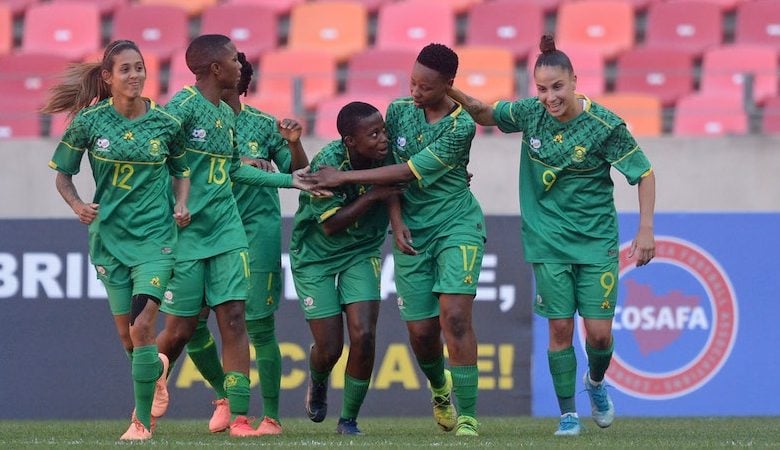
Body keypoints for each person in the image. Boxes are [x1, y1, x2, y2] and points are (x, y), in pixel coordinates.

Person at [447, 34, 656, 436]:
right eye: (541, 89)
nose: (549, 97)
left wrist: (645, 229)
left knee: (598, 335)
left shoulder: (605, 125)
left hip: (596, 242)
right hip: (547, 243)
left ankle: (595, 382)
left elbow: (643, 174)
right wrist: (446, 88)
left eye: (557, 87)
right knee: (560, 329)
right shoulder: (530, 114)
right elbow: (483, 112)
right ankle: (568, 415)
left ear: (575, 81)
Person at [304, 43, 485, 437]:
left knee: (454, 315)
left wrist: (343, 178)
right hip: (412, 232)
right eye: (412, 83)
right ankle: (440, 387)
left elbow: (406, 172)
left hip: (456, 225)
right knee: (421, 334)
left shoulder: (462, 126)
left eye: (425, 87)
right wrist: (397, 220)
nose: (415, 92)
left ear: (448, 85)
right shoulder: (401, 111)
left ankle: (468, 416)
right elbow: (386, 171)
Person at [152, 34, 317, 438]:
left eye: (242, 67)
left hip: (248, 231)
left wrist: (293, 162)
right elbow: (169, 158)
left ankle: (264, 417)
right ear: (219, 72)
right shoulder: (189, 112)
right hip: (197, 230)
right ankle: (218, 396)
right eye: (234, 63)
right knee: (188, 325)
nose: (241, 68)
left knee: (249, 323)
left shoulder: (257, 122)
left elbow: (290, 167)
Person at [43, 39, 191, 441]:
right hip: (109, 240)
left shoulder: (166, 122)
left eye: (140, 67)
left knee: (144, 328)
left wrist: (181, 204)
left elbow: (182, 170)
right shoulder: (89, 123)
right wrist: (77, 205)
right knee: (129, 338)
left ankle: (140, 424)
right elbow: (63, 175)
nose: (135, 75)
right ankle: (156, 372)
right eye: (126, 69)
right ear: (107, 78)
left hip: (156, 239)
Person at [291, 101, 401, 435]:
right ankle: (319, 378)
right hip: (315, 256)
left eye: (383, 129)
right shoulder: (326, 164)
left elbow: (406, 181)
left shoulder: (389, 154)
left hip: (361, 250)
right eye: (374, 134)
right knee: (330, 349)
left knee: (365, 335)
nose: (383, 139)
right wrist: (372, 196)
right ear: (350, 142)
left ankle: (348, 419)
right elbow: (330, 226)